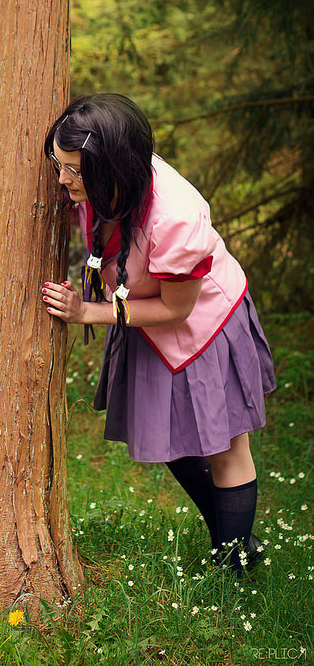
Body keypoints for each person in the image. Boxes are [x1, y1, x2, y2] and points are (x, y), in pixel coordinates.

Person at [41, 93, 276, 575]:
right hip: (144, 317)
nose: (62, 180)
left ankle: (234, 573)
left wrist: (89, 311)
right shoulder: (105, 172)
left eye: (74, 171)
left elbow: (176, 308)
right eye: (58, 166)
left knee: (226, 448)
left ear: (111, 166)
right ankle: (236, 539)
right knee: (178, 440)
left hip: (204, 326)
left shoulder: (177, 217)